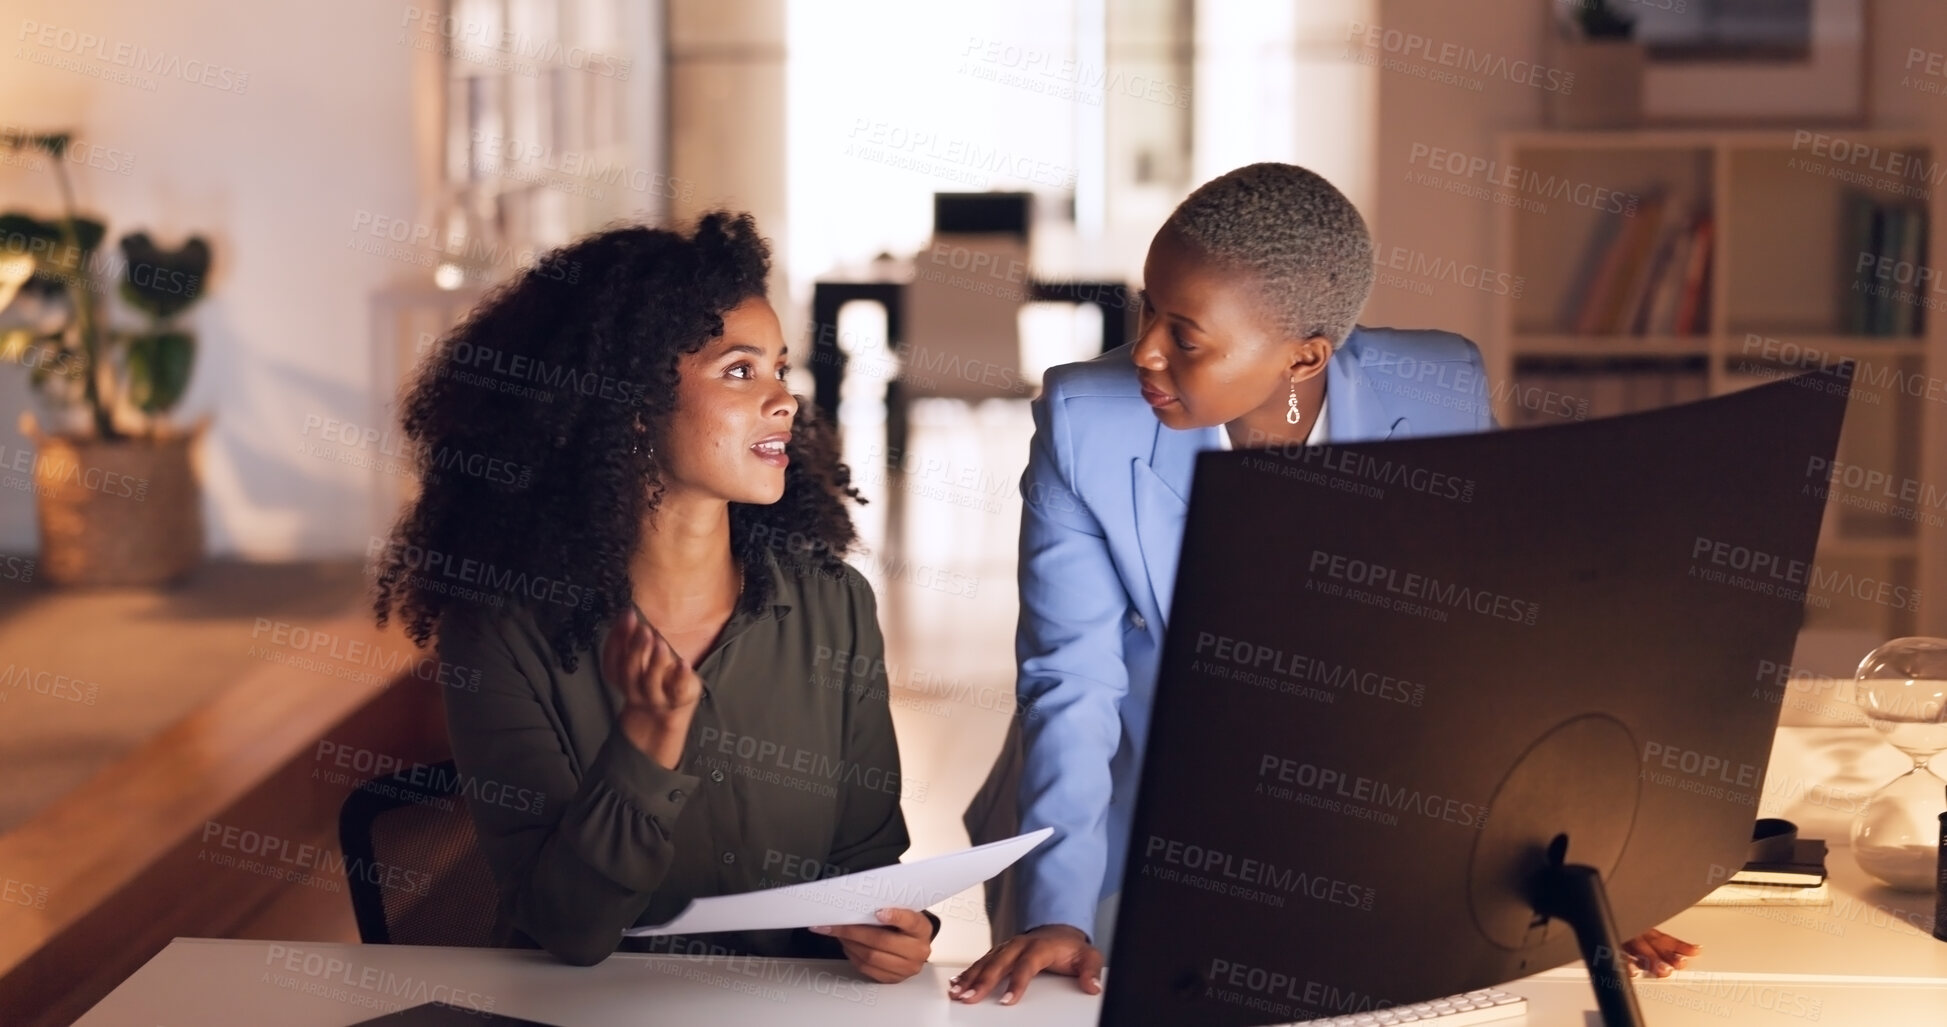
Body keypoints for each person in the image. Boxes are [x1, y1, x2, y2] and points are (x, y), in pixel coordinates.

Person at [953, 163, 1698, 1005]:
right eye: (1146, 308)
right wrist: (1060, 912)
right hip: (1125, 836)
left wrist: (1584, 877)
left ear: (1304, 353)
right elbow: (1072, 684)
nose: (1147, 351)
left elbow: (1488, 662)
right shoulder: (1085, 418)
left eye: (1185, 335)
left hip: (1368, 834)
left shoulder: (1436, 389)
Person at [372, 212, 937, 977]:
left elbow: (866, 860)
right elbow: (566, 928)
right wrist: (645, 740)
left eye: (780, 367)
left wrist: (893, 930)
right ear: (630, 403)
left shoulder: (832, 604)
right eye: (740, 370)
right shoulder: (503, 633)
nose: (782, 398)